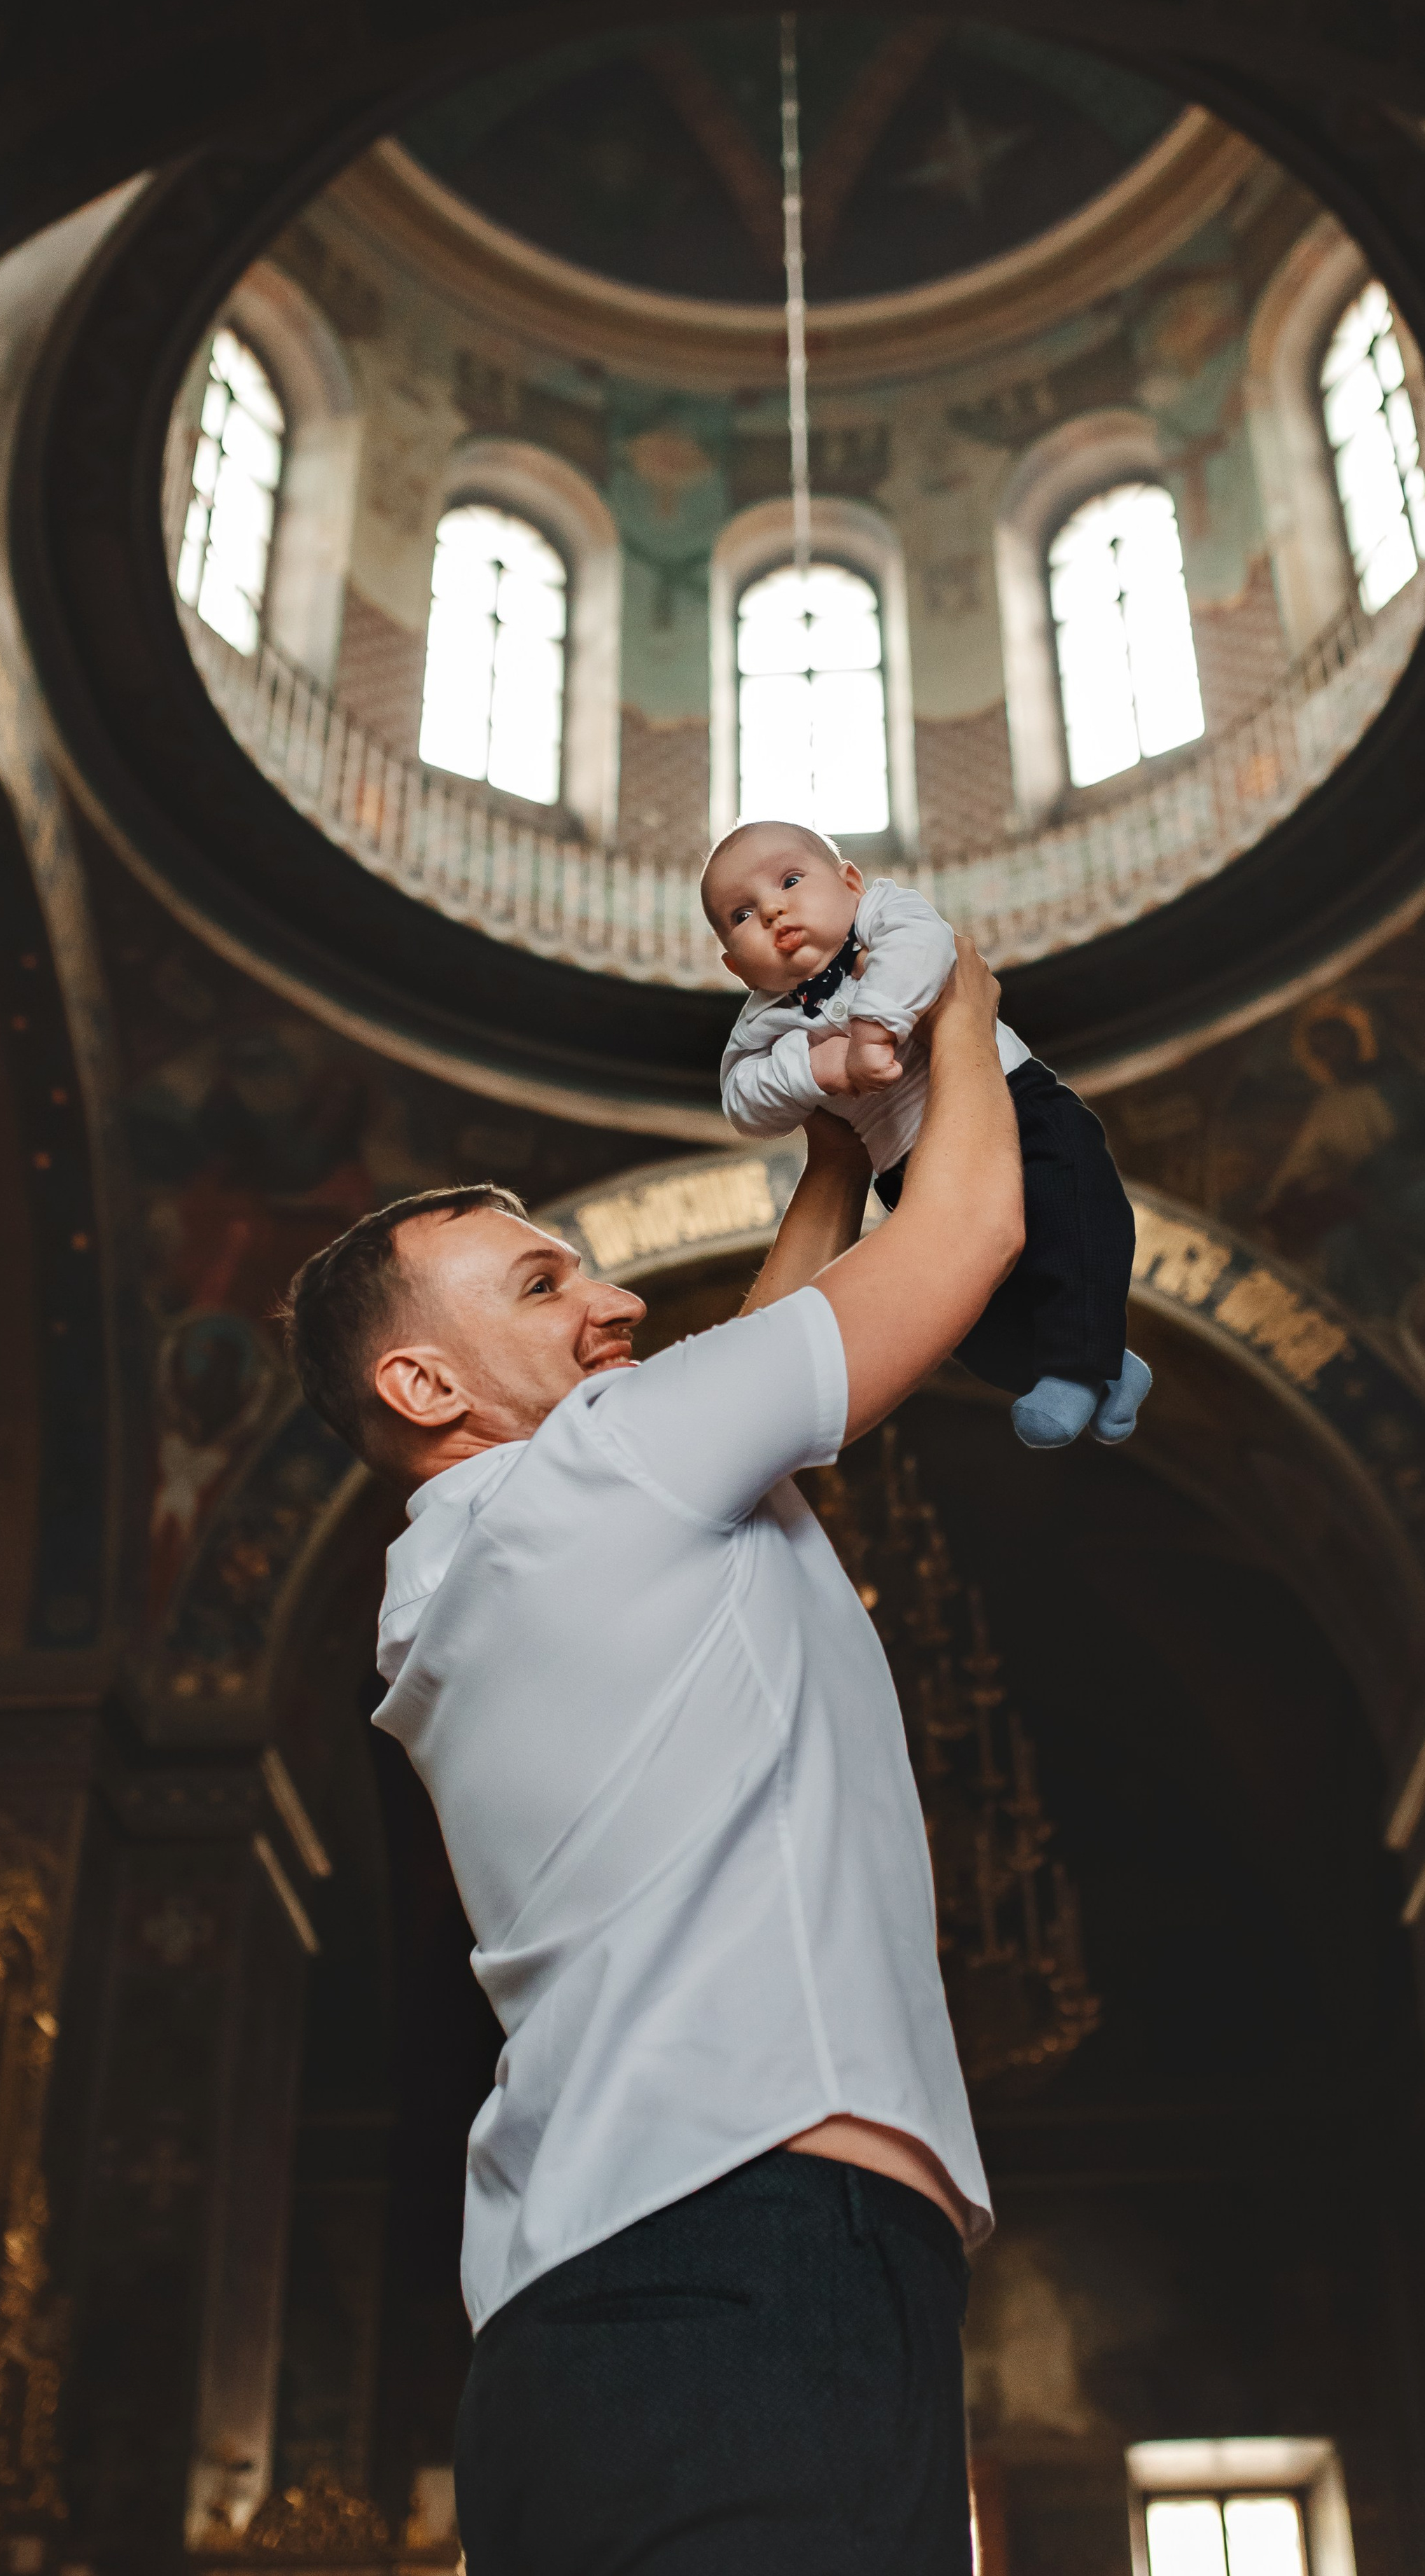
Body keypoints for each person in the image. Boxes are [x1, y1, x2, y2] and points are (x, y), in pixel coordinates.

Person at [280, 941, 1025, 2575]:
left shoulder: (468, 1564)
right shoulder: (611, 1468)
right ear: (423, 1380)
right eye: (543, 1285)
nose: (613, 1298)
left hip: (598, 2302)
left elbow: (748, 1369)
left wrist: (828, 1159)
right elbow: (970, 1230)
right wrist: (958, 1002)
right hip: (752, 2257)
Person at [706, 818, 1151, 1448]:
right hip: (908, 1168)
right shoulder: (765, 1024)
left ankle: (1080, 1367)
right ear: (734, 965)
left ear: (851, 882)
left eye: (791, 879)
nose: (773, 908)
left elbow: (927, 950)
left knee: (1076, 1218)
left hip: (1020, 1109)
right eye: (742, 914)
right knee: (959, 1308)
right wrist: (818, 1067)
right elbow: (744, 1102)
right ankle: (1095, 1364)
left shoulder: (886, 914)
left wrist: (871, 1029)